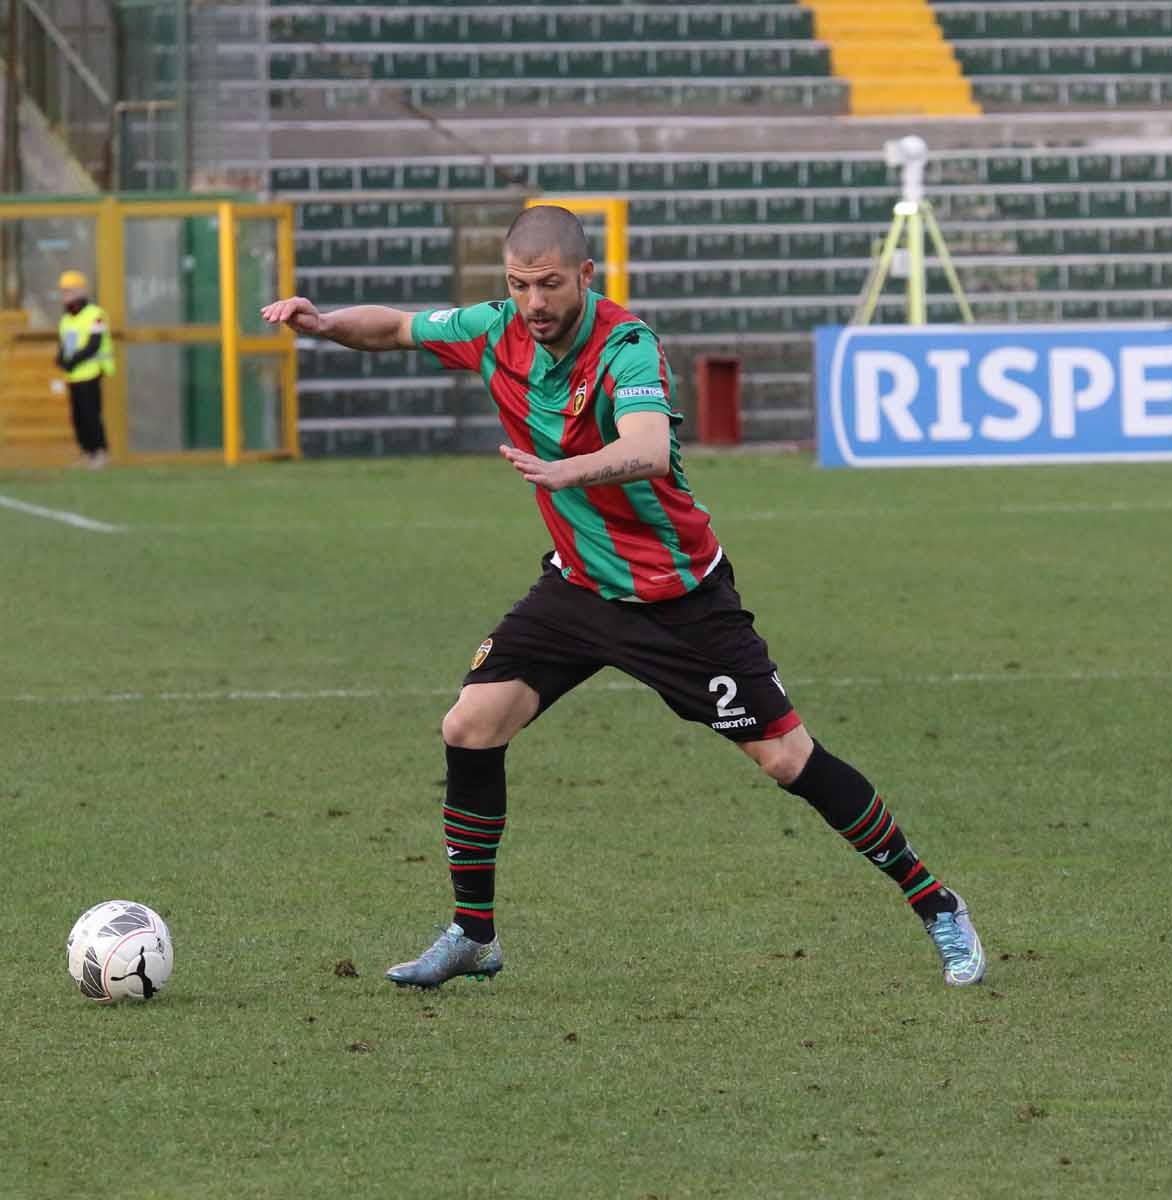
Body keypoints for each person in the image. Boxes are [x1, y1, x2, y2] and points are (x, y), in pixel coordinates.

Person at [261, 205, 985, 990]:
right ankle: (474, 934)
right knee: (470, 726)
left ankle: (936, 902)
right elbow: (397, 327)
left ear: (584, 277)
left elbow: (644, 447)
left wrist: (566, 470)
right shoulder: (492, 328)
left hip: (678, 599)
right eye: (518, 285)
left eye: (548, 285)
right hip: (577, 588)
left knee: (784, 757)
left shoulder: (626, 347)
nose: (533, 303)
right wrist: (325, 322)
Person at [55, 269, 113, 467]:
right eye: (63, 292)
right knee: (77, 417)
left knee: (91, 414)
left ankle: (100, 452)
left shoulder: (95, 314)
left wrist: (74, 361)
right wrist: (61, 359)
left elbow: (94, 344)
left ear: (81, 291)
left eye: (69, 291)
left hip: (91, 372)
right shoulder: (66, 319)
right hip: (73, 376)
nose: (65, 297)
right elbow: (65, 344)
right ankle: (87, 452)